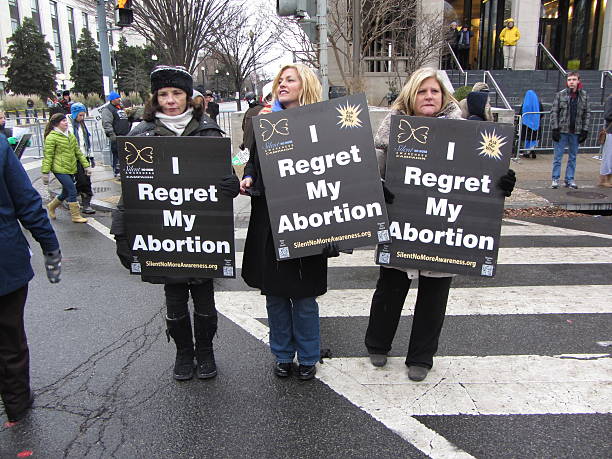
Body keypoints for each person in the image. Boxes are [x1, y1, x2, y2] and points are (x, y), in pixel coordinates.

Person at [364, 67, 516, 381]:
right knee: (390, 288)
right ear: (411, 96)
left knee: (434, 295)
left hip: (444, 228)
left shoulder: (466, 132)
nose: (428, 96)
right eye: (422, 91)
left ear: (443, 96)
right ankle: (378, 343)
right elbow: (371, 170)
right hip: (401, 223)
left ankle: (421, 357)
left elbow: (480, 177)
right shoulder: (393, 128)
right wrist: (378, 186)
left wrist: (502, 182)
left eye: (434, 91)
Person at [110, 65, 240, 381]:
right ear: (155, 97)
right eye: (164, 94)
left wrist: (231, 185)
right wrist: (121, 231)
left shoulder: (209, 131)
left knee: (205, 302)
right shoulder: (141, 135)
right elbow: (130, 192)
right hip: (164, 236)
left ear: (188, 96)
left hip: (202, 235)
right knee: (175, 301)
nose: (170, 100)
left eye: (177, 93)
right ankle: (183, 353)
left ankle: (206, 352)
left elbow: (229, 172)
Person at [240, 63, 339, 381]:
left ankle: (309, 356)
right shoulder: (260, 119)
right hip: (269, 219)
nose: (282, 84)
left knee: (304, 296)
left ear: (305, 85)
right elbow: (244, 155)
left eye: (290, 80)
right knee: (276, 294)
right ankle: (282, 354)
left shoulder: (323, 123)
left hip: (309, 220)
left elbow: (340, 163)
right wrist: (246, 174)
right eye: (280, 80)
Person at [0, 136, 61, 425]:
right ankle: (16, 404)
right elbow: (26, 202)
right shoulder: (0, 147)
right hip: (4, 263)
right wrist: (49, 245)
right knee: (10, 338)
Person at [42, 113, 92, 223]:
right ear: (56, 124)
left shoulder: (70, 135)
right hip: (59, 169)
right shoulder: (52, 137)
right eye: (63, 121)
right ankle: (75, 216)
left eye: (66, 120)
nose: (66, 123)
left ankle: (51, 206)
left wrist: (86, 166)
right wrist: (45, 173)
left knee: (65, 192)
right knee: (72, 190)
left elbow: (78, 152)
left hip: (70, 168)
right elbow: (48, 156)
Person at [550, 72, 590, 189]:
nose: (571, 82)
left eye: (574, 79)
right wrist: (555, 128)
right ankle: (555, 178)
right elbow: (554, 112)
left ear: (578, 81)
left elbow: (587, 113)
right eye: (569, 80)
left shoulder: (584, 96)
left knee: (573, 157)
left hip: (576, 131)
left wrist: (585, 130)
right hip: (562, 130)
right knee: (558, 156)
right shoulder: (560, 95)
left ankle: (570, 179)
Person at [67, 103, 96, 214]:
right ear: (74, 114)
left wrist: (91, 156)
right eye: (80, 115)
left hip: (84, 157)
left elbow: (86, 142)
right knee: (76, 182)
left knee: (86, 181)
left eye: (83, 115)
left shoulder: (82, 125)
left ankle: (86, 204)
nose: (82, 118)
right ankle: (67, 201)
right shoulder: (67, 125)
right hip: (73, 158)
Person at [101, 91, 131, 177]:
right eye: (117, 98)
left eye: (119, 97)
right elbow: (106, 123)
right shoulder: (108, 109)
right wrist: (111, 135)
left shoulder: (120, 108)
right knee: (117, 154)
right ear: (112, 100)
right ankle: (117, 170)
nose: (119, 99)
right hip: (116, 136)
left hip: (125, 135)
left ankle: (124, 170)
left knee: (125, 155)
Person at [518, 90, 544, 159]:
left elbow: (520, 113)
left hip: (525, 125)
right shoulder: (538, 103)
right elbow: (542, 113)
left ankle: (526, 152)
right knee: (534, 138)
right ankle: (532, 150)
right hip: (536, 124)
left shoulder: (525, 104)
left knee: (526, 138)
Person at [598, 94, 612, 187]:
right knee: (608, 157)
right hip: (610, 132)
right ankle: (603, 180)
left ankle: (608, 179)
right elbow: (607, 115)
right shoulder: (610, 99)